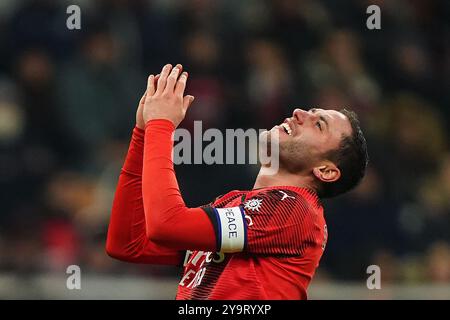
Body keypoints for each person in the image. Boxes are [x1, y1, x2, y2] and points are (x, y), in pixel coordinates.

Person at [106, 64, 369, 299]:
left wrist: (161, 126)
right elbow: (130, 244)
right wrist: (143, 133)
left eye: (318, 124)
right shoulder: (235, 206)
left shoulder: (295, 210)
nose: (300, 112)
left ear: (325, 171)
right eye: (311, 112)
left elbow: (166, 224)